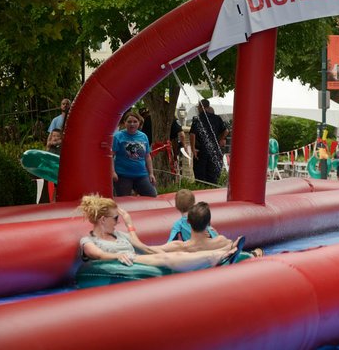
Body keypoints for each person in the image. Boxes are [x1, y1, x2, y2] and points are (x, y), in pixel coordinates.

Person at [78, 195, 241, 269]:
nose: (118, 221)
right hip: (127, 262)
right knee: (168, 255)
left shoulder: (119, 235)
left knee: (176, 252)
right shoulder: (88, 241)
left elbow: (141, 246)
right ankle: (218, 255)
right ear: (102, 220)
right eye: (115, 218)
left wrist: (129, 224)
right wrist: (117, 256)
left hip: (137, 257)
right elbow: (98, 254)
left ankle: (222, 253)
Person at [112, 111, 157, 197]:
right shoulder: (118, 136)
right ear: (125, 123)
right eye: (129, 122)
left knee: (152, 195)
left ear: (139, 123)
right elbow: (111, 155)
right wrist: (113, 172)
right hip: (123, 176)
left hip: (141, 175)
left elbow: (147, 156)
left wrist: (151, 173)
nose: (132, 124)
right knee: (124, 201)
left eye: (135, 121)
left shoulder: (143, 136)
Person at [190, 99, 229, 185]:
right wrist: (219, 140)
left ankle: (201, 190)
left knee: (200, 175)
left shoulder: (197, 119)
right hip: (213, 150)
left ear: (201, 107)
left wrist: (193, 149)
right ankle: (210, 190)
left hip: (201, 150)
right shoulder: (217, 118)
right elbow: (226, 130)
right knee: (212, 175)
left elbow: (192, 134)